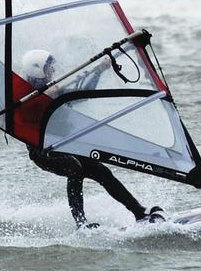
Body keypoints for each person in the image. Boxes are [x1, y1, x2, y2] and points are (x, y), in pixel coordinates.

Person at [19, 48, 165, 228]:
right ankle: (80, 223)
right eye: (49, 68)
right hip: (41, 150)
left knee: (102, 172)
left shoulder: (55, 90)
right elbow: (26, 111)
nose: (53, 71)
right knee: (75, 168)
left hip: (63, 146)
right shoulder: (24, 97)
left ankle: (139, 212)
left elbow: (85, 92)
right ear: (37, 70)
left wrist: (99, 70)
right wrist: (47, 95)